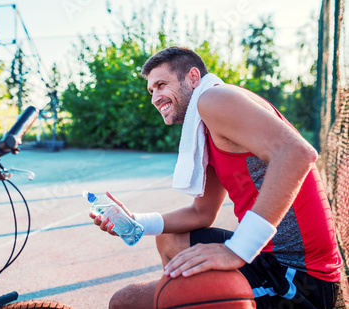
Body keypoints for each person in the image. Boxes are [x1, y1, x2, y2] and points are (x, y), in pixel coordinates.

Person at [90, 46, 342, 309]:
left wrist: (236, 250)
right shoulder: (205, 127)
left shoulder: (213, 100)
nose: (155, 97)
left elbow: (298, 153)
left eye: (162, 85)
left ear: (193, 78)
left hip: (300, 278)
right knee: (169, 238)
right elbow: (202, 213)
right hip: (267, 256)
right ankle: (181, 298)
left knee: (124, 302)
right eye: (151, 91)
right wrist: (135, 222)